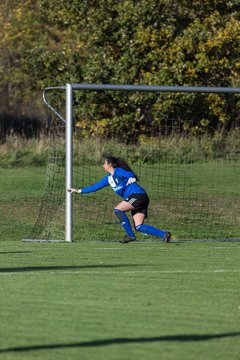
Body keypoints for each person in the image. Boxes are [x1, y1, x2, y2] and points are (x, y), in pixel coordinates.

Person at [68, 156, 172, 243]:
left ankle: (130, 236)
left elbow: (130, 174)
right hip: (140, 198)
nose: (103, 165)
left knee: (118, 210)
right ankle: (165, 235)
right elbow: (95, 186)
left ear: (110, 164)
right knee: (139, 226)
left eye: (104, 163)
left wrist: (132, 178)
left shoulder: (118, 171)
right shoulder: (108, 179)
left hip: (138, 195)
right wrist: (78, 191)